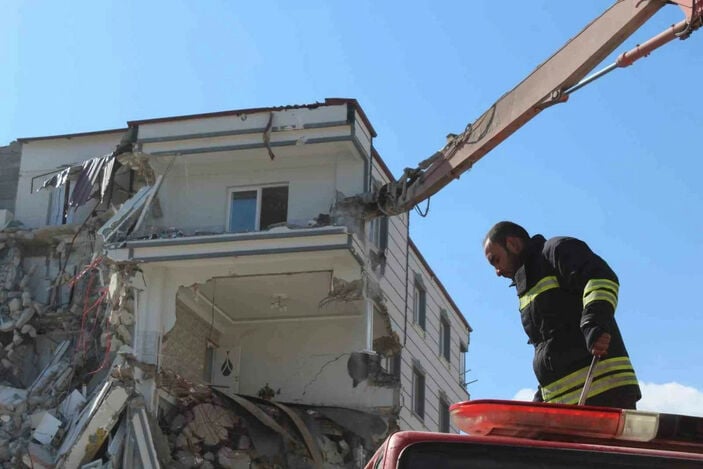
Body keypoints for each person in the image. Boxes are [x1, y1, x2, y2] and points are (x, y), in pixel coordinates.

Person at [483, 221, 641, 409]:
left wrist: (594, 323)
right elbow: (550, 345)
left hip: (604, 391)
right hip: (564, 406)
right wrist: (541, 397)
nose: (497, 272)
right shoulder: (528, 287)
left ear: (513, 244)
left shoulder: (556, 250)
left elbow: (600, 278)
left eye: (496, 260)